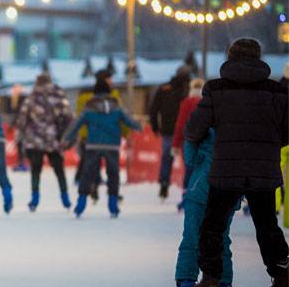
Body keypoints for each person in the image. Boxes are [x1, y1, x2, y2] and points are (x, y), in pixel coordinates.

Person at [186, 38, 289, 287]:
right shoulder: (277, 92)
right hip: (263, 168)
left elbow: (194, 129)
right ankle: (282, 276)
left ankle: (210, 277)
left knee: (213, 225)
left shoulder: (216, 90)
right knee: (267, 226)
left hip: (226, 169)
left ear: (230, 57)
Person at [63, 70, 142, 218]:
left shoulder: (89, 107)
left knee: (87, 173)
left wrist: (67, 138)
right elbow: (129, 120)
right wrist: (138, 126)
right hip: (112, 145)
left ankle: (81, 204)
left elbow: (76, 123)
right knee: (113, 174)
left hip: (93, 144)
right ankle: (113, 205)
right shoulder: (116, 106)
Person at [175, 129, 237, 287]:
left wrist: (199, 161)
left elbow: (190, 153)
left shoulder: (205, 121)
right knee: (221, 235)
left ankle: (187, 277)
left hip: (201, 186)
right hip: (229, 187)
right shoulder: (241, 125)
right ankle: (223, 280)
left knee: (192, 234)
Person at [14, 73, 74, 212]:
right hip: (54, 140)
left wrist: (20, 137)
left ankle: (34, 200)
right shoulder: (59, 96)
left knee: (36, 170)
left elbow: (22, 119)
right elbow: (68, 117)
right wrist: (66, 136)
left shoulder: (32, 98)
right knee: (59, 170)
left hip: (34, 140)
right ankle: (65, 199)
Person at [149, 67, 190, 200]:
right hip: (188, 132)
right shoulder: (188, 90)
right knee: (189, 160)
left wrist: (155, 127)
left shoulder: (165, 88)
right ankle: (189, 187)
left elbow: (154, 109)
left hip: (169, 130)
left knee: (167, 158)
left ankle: (164, 184)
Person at [171, 77, 206, 211]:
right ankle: (201, 199)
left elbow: (180, 125)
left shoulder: (186, 103)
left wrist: (175, 144)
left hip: (189, 141)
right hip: (205, 141)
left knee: (189, 170)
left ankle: (186, 199)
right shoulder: (208, 101)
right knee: (203, 170)